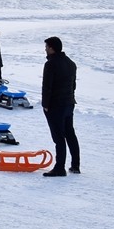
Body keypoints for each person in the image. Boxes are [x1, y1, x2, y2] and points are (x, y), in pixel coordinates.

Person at [41, 36, 81, 176]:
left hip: (55, 105)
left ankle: (59, 168)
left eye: (46, 47)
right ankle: (75, 165)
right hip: (69, 103)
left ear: (52, 48)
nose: (45, 49)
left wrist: (45, 104)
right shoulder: (71, 63)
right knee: (70, 134)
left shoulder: (50, 64)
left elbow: (47, 86)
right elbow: (73, 85)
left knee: (58, 137)